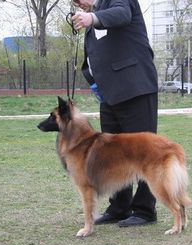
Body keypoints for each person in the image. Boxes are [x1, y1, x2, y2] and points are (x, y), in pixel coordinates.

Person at [71, 0, 158, 226]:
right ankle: (119, 207)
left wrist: (92, 19)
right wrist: (92, 81)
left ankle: (145, 210)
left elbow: (121, 14)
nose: (80, 2)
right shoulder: (94, 17)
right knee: (111, 155)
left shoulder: (115, 3)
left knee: (144, 151)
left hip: (135, 88)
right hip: (109, 95)